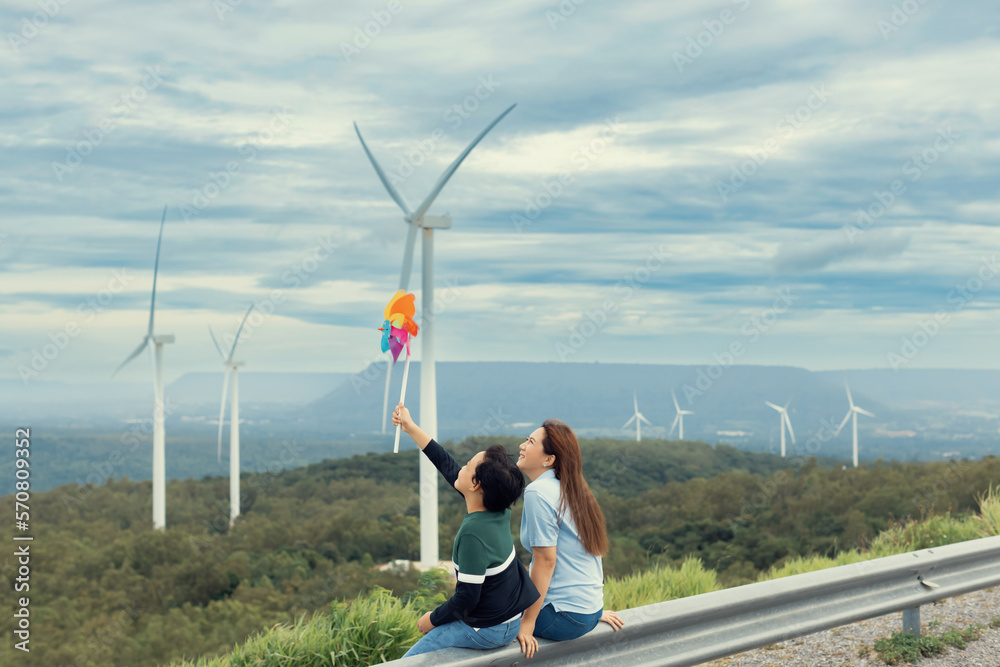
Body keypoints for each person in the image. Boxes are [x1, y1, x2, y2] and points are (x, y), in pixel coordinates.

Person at [393, 402, 540, 658]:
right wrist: (411, 427)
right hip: (512, 619)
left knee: (409, 662)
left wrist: (432, 619)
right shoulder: (498, 507)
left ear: (475, 485)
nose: (460, 467)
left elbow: (467, 599)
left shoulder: (473, 534)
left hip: (488, 628)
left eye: (467, 465)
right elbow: (447, 466)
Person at [515, 418, 625, 658]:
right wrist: (592, 611)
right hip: (590, 612)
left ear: (549, 459)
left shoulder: (538, 492)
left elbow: (546, 561)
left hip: (561, 617)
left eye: (530, 441)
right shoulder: (574, 490)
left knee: (484, 614)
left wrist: (528, 622)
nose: (522, 446)